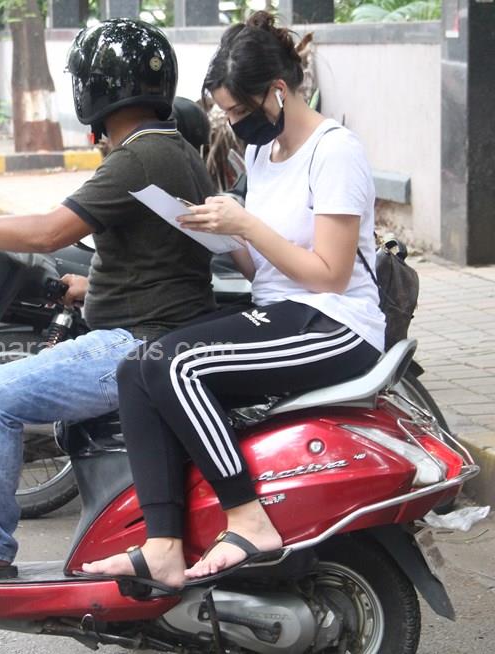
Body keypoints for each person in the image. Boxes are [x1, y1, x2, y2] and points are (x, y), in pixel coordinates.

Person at [82, 11, 385, 591]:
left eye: (239, 112)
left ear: (277, 91)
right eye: (225, 114)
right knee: (137, 368)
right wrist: (218, 233)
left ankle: (248, 519)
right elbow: (261, 265)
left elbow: (330, 275)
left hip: (336, 324)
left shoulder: (335, 152)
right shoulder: (263, 156)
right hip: (280, 311)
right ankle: (163, 545)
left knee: (176, 365)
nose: (234, 123)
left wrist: (246, 224)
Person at [0, 19, 217, 581]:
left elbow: (49, 232)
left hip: (136, 344)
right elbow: (162, 256)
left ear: (92, 89)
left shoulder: (138, 156)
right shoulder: (177, 151)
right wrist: (90, 286)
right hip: (161, 332)